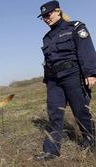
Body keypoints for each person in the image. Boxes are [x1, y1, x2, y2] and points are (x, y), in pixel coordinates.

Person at [35, 0, 96, 160]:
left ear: (57, 11)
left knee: (81, 112)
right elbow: (49, 61)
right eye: (43, 17)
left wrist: (90, 73)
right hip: (54, 81)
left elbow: (86, 50)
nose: (46, 18)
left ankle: (91, 142)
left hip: (73, 76)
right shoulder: (46, 38)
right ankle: (51, 151)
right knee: (54, 114)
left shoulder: (75, 27)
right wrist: (47, 80)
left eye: (48, 14)